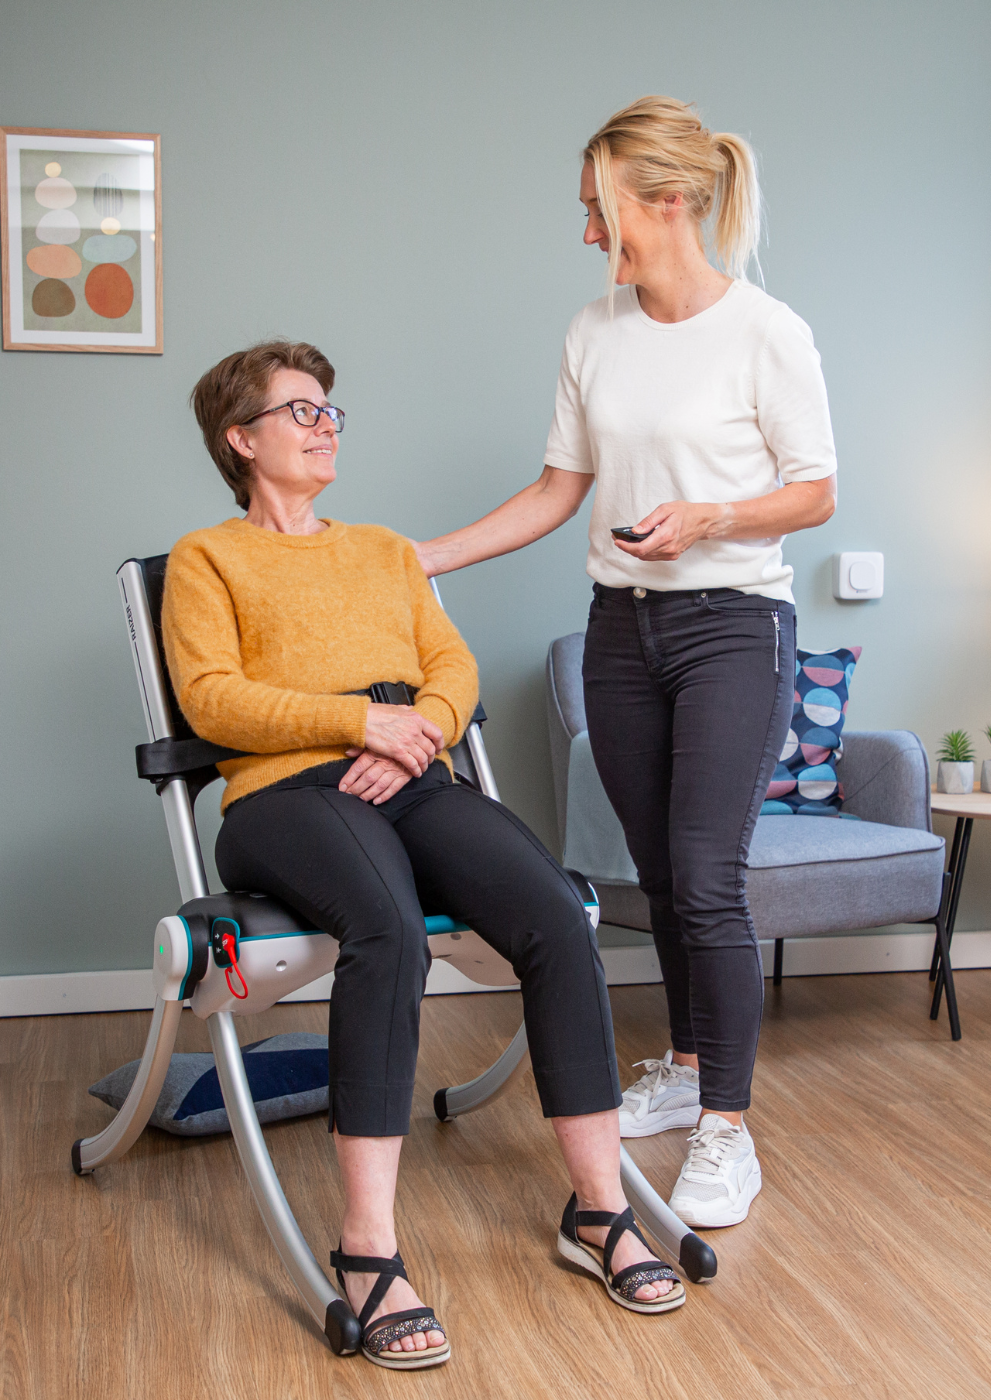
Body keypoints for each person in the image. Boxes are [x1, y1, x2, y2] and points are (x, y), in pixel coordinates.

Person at [165, 341, 682, 1370]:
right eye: (300, 409)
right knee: (388, 927)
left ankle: (597, 1207)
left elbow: (450, 664)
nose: (325, 424)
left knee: (552, 911)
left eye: (331, 410)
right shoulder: (206, 557)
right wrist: (364, 720)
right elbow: (213, 699)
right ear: (242, 437)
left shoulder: (387, 552)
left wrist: (419, 732)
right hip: (283, 794)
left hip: (412, 773)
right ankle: (367, 1249)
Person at [415, 97, 837, 1231]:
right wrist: (421, 556)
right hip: (622, 631)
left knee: (708, 878)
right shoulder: (593, 329)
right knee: (660, 879)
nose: (589, 235)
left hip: (733, 629)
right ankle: (691, 1063)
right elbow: (562, 486)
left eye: (600, 211)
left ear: (670, 202)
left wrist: (711, 518)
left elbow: (818, 490)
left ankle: (728, 1131)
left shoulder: (766, 331)